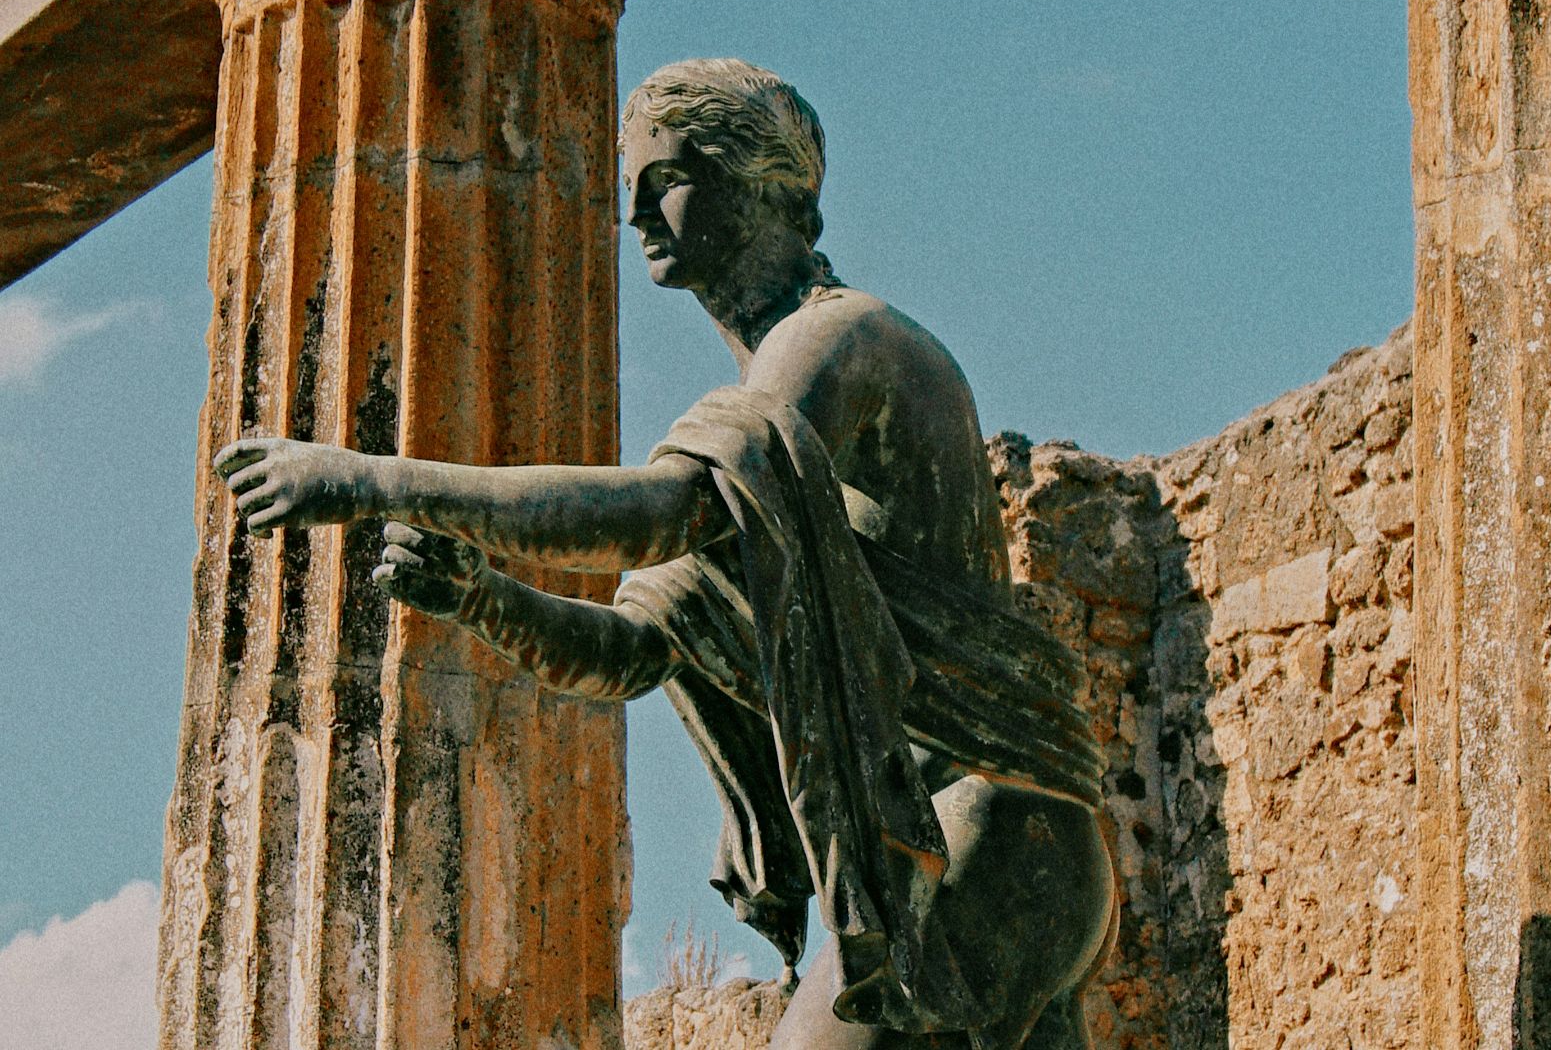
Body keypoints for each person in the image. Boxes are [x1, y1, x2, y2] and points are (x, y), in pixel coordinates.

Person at [212, 58, 1114, 1049]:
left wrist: (375, 480)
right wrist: (481, 598)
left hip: (993, 825)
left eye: (667, 182)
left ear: (772, 185)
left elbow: (672, 510)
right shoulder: (768, 451)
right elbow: (633, 648)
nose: (635, 216)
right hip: (976, 846)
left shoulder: (841, 346)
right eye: (627, 191)